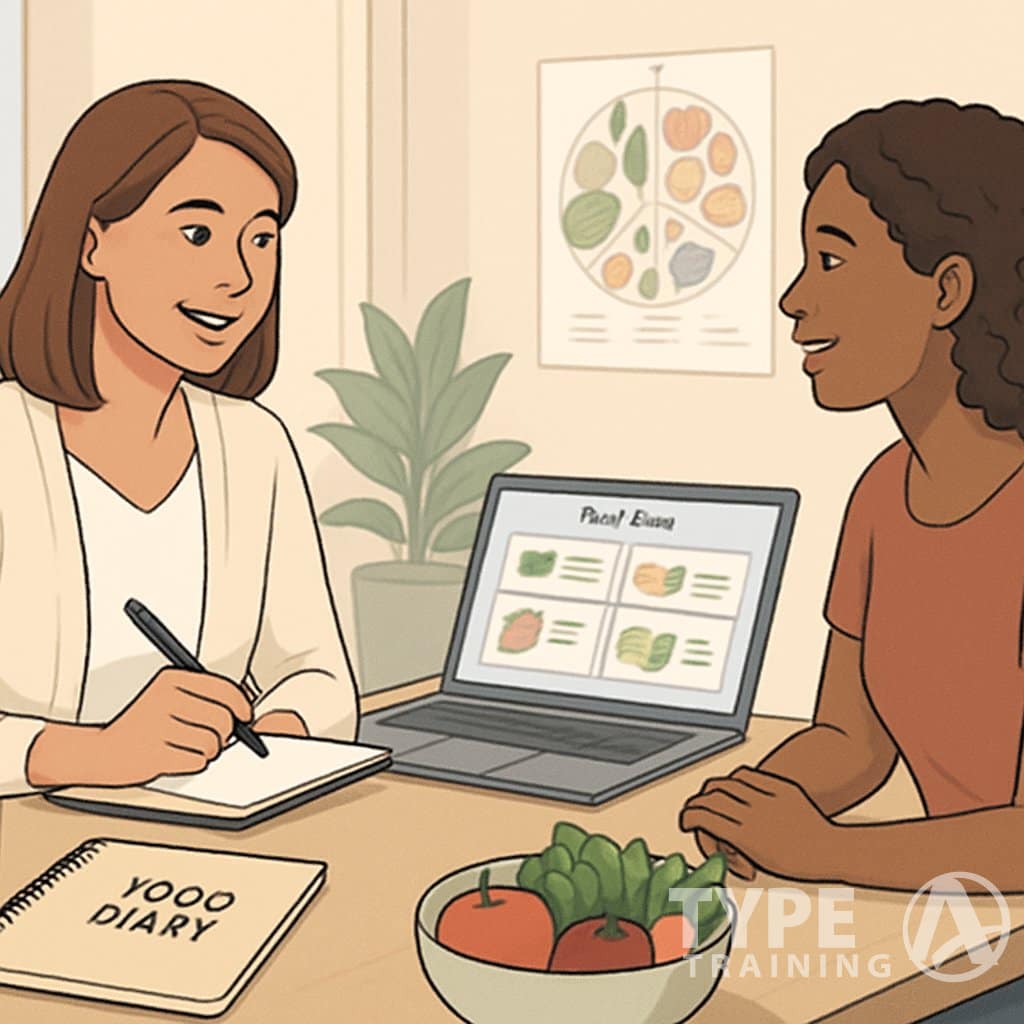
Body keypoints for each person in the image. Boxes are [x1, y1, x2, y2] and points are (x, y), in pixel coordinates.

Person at [680, 99, 1024, 893]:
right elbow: (850, 740)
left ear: (948, 290)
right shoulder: (880, 495)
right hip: (964, 924)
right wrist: (758, 805)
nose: (794, 300)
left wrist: (824, 850)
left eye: (831, 261)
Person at [0, 80, 358, 798]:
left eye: (261, 238)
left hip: (209, 836)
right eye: (197, 233)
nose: (238, 277)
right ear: (92, 241)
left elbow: (321, 677)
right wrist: (93, 754)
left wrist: (269, 737)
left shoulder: (254, 447)